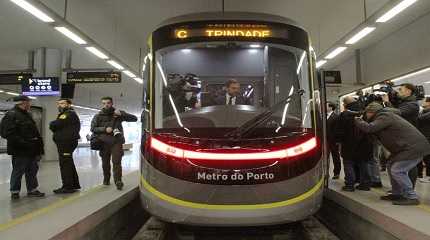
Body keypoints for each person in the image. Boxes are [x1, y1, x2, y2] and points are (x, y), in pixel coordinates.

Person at [355, 102, 430, 205]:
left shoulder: (384, 116)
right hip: (406, 148)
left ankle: (411, 197)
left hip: (413, 148)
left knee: (397, 170)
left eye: (366, 113)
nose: (365, 116)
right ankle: (397, 193)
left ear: (371, 112)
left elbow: (369, 128)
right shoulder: (383, 116)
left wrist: (357, 120)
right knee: (391, 166)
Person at [0, 95, 45, 200]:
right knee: (18, 170)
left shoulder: (27, 115)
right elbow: (7, 133)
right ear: (23, 103)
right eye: (28, 102)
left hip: (31, 149)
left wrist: (38, 148)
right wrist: (23, 143)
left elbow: (34, 132)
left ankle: (32, 189)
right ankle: (15, 191)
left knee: (32, 170)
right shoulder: (11, 115)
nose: (30, 104)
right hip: (19, 149)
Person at [91, 97, 137, 190]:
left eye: (108, 103)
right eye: (104, 103)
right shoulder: (98, 116)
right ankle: (106, 179)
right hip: (103, 142)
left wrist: (122, 114)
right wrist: (104, 129)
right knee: (105, 162)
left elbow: (134, 118)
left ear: (112, 103)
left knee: (117, 161)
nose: (106, 105)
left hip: (116, 141)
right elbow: (93, 128)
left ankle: (118, 181)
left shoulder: (118, 113)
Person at [382, 83, 420, 188]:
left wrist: (387, 103)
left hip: (409, 138)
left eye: (401, 90)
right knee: (394, 164)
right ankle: (399, 190)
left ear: (408, 91)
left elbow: (398, 113)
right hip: (402, 137)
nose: (398, 92)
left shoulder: (412, 104)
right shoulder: (404, 102)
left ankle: (409, 190)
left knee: (410, 165)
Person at [335, 96, 372, 191]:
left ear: (345, 104)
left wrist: (338, 141)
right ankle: (365, 184)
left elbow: (339, 131)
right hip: (364, 142)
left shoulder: (344, 115)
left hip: (348, 143)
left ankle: (350, 185)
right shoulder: (364, 112)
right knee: (363, 163)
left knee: (348, 163)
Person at [49, 98, 81, 194]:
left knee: (65, 164)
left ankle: (67, 187)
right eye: (59, 104)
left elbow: (56, 124)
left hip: (66, 143)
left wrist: (51, 123)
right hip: (67, 142)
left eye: (62, 103)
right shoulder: (69, 114)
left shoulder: (67, 114)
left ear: (69, 104)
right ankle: (73, 184)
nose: (60, 105)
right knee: (69, 163)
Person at [326, 102, 341, 179]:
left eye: (326, 105)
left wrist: (337, 141)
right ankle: (326, 173)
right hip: (325, 141)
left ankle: (336, 173)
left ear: (331, 107)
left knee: (336, 157)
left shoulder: (336, 117)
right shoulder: (323, 116)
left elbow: (338, 129)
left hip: (333, 141)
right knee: (326, 157)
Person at [417, 97, 430, 182]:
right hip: (422, 136)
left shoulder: (426, 113)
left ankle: (429, 176)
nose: (423, 102)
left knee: (427, 158)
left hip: (428, 137)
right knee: (420, 157)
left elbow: (420, 119)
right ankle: (419, 175)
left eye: (425, 100)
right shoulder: (423, 111)